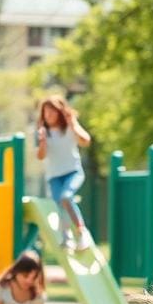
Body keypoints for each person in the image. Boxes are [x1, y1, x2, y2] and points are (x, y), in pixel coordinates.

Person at [36, 95, 93, 251]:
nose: (49, 115)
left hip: (73, 171)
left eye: (52, 111)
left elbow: (86, 140)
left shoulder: (69, 126)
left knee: (66, 197)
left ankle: (82, 232)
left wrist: (73, 125)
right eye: (46, 112)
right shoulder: (43, 132)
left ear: (59, 112)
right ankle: (67, 237)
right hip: (54, 177)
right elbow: (41, 156)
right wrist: (42, 142)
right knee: (61, 205)